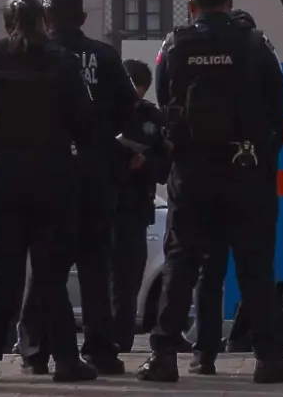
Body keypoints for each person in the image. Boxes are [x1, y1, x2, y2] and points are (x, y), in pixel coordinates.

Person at [138, 0, 283, 385]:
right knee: (255, 266)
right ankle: (268, 359)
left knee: (182, 263)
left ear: (190, 5)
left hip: (191, 173)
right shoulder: (254, 43)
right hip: (245, 171)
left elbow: (162, 101)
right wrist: (261, 159)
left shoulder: (173, 44)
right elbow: (279, 108)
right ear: (230, 1)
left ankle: (163, 357)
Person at [0, 0, 98, 384]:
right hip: (52, 175)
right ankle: (67, 361)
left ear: (7, 24)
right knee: (51, 275)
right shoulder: (62, 61)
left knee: (4, 274)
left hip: (2, 174)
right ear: (44, 21)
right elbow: (85, 122)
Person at [15, 0, 135, 376]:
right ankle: (101, 348)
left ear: (45, 18)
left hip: (46, 172)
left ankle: (35, 349)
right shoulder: (105, 56)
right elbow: (127, 113)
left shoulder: (32, 57)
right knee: (96, 266)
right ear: (83, 18)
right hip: (95, 173)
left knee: (43, 265)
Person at [110, 58, 169, 356]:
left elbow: (165, 167)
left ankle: (122, 340)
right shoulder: (101, 113)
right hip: (101, 206)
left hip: (134, 209)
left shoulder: (152, 118)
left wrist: (144, 163)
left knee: (129, 278)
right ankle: (101, 340)